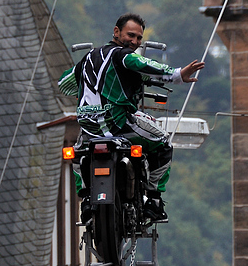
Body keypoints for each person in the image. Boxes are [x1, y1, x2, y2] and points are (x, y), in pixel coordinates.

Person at [58, 12, 205, 223]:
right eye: (131, 35)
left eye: (138, 38)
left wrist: (89, 90)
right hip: (117, 124)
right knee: (162, 143)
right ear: (116, 32)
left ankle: (87, 200)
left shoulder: (87, 59)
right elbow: (143, 65)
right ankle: (153, 200)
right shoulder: (123, 55)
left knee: (77, 156)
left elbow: (64, 84)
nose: (134, 42)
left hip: (89, 127)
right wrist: (177, 74)